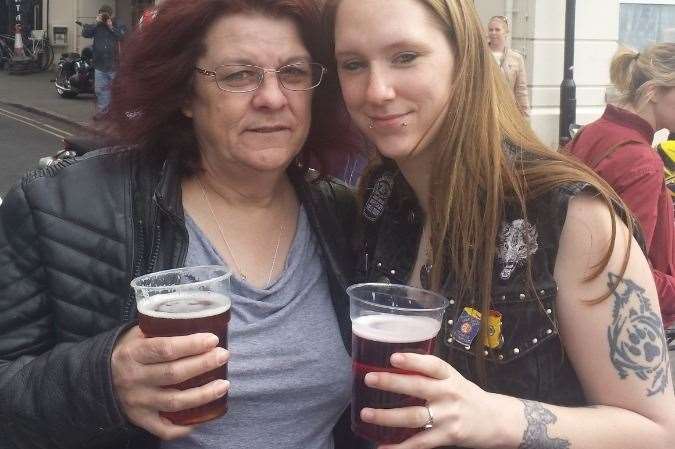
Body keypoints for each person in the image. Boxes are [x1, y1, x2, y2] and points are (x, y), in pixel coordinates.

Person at [0, 1, 366, 448]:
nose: (273, 98)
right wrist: (101, 381)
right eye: (238, 75)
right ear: (186, 94)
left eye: (292, 72)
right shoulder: (61, 206)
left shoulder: (344, 216)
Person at [324, 0, 675, 448]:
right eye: (353, 65)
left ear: (464, 59)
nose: (376, 90)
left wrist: (496, 418)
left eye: (405, 57)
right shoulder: (380, 195)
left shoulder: (571, 218)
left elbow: (657, 432)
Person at [567, 44, 675, 329]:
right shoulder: (643, 162)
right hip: (619, 328)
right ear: (652, 91)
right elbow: (627, 274)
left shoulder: (591, 133)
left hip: (574, 308)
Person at [81, 4, 126, 113]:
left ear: (111, 15)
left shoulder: (117, 24)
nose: (104, 17)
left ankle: (117, 114)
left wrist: (111, 27)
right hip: (100, 64)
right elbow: (85, 33)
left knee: (116, 91)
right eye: (102, 14)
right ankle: (104, 114)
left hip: (113, 64)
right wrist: (96, 23)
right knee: (100, 91)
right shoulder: (97, 26)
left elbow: (122, 36)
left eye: (106, 14)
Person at [487, 15, 530, 117]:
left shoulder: (516, 58)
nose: (493, 33)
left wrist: (525, 117)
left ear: (506, 33)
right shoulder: (480, 55)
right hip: (486, 113)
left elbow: (521, 90)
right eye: (490, 30)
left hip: (507, 114)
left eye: (497, 30)